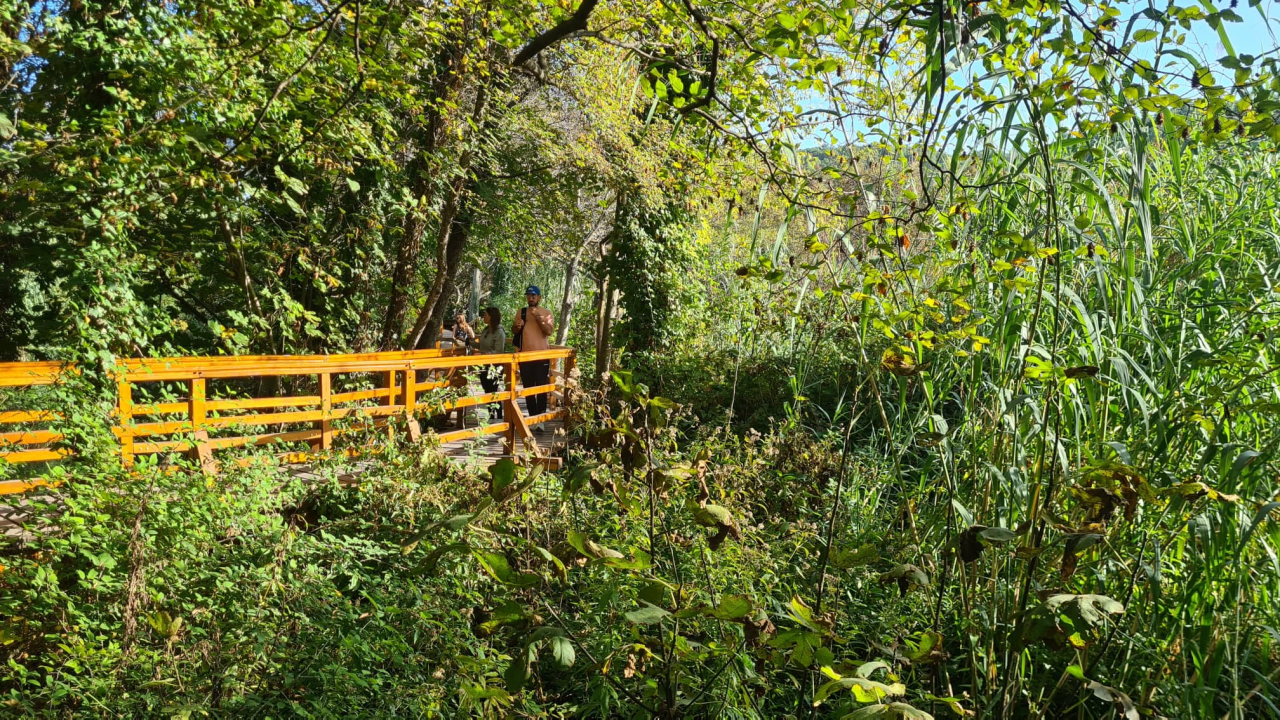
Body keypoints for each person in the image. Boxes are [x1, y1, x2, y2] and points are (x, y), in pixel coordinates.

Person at [513, 285, 554, 425]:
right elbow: (514, 331)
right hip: (524, 356)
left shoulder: (546, 313)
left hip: (541, 356)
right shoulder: (521, 312)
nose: (531, 298)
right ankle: (532, 417)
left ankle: (541, 418)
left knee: (541, 387)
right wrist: (517, 327)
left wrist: (538, 317)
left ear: (539, 297)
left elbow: (548, 332)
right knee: (529, 388)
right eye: (528, 296)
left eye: (533, 296)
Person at [469, 307, 506, 421]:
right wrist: (469, 342)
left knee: (493, 389)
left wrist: (483, 355)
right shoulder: (486, 330)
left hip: (494, 366)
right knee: (487, 389)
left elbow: (498, 351)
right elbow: (481, 345)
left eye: (485, 315)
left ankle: (497, 415)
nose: (483, 317)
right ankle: (491, 414)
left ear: (491, 316)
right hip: (484, 365)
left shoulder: (499, 332)